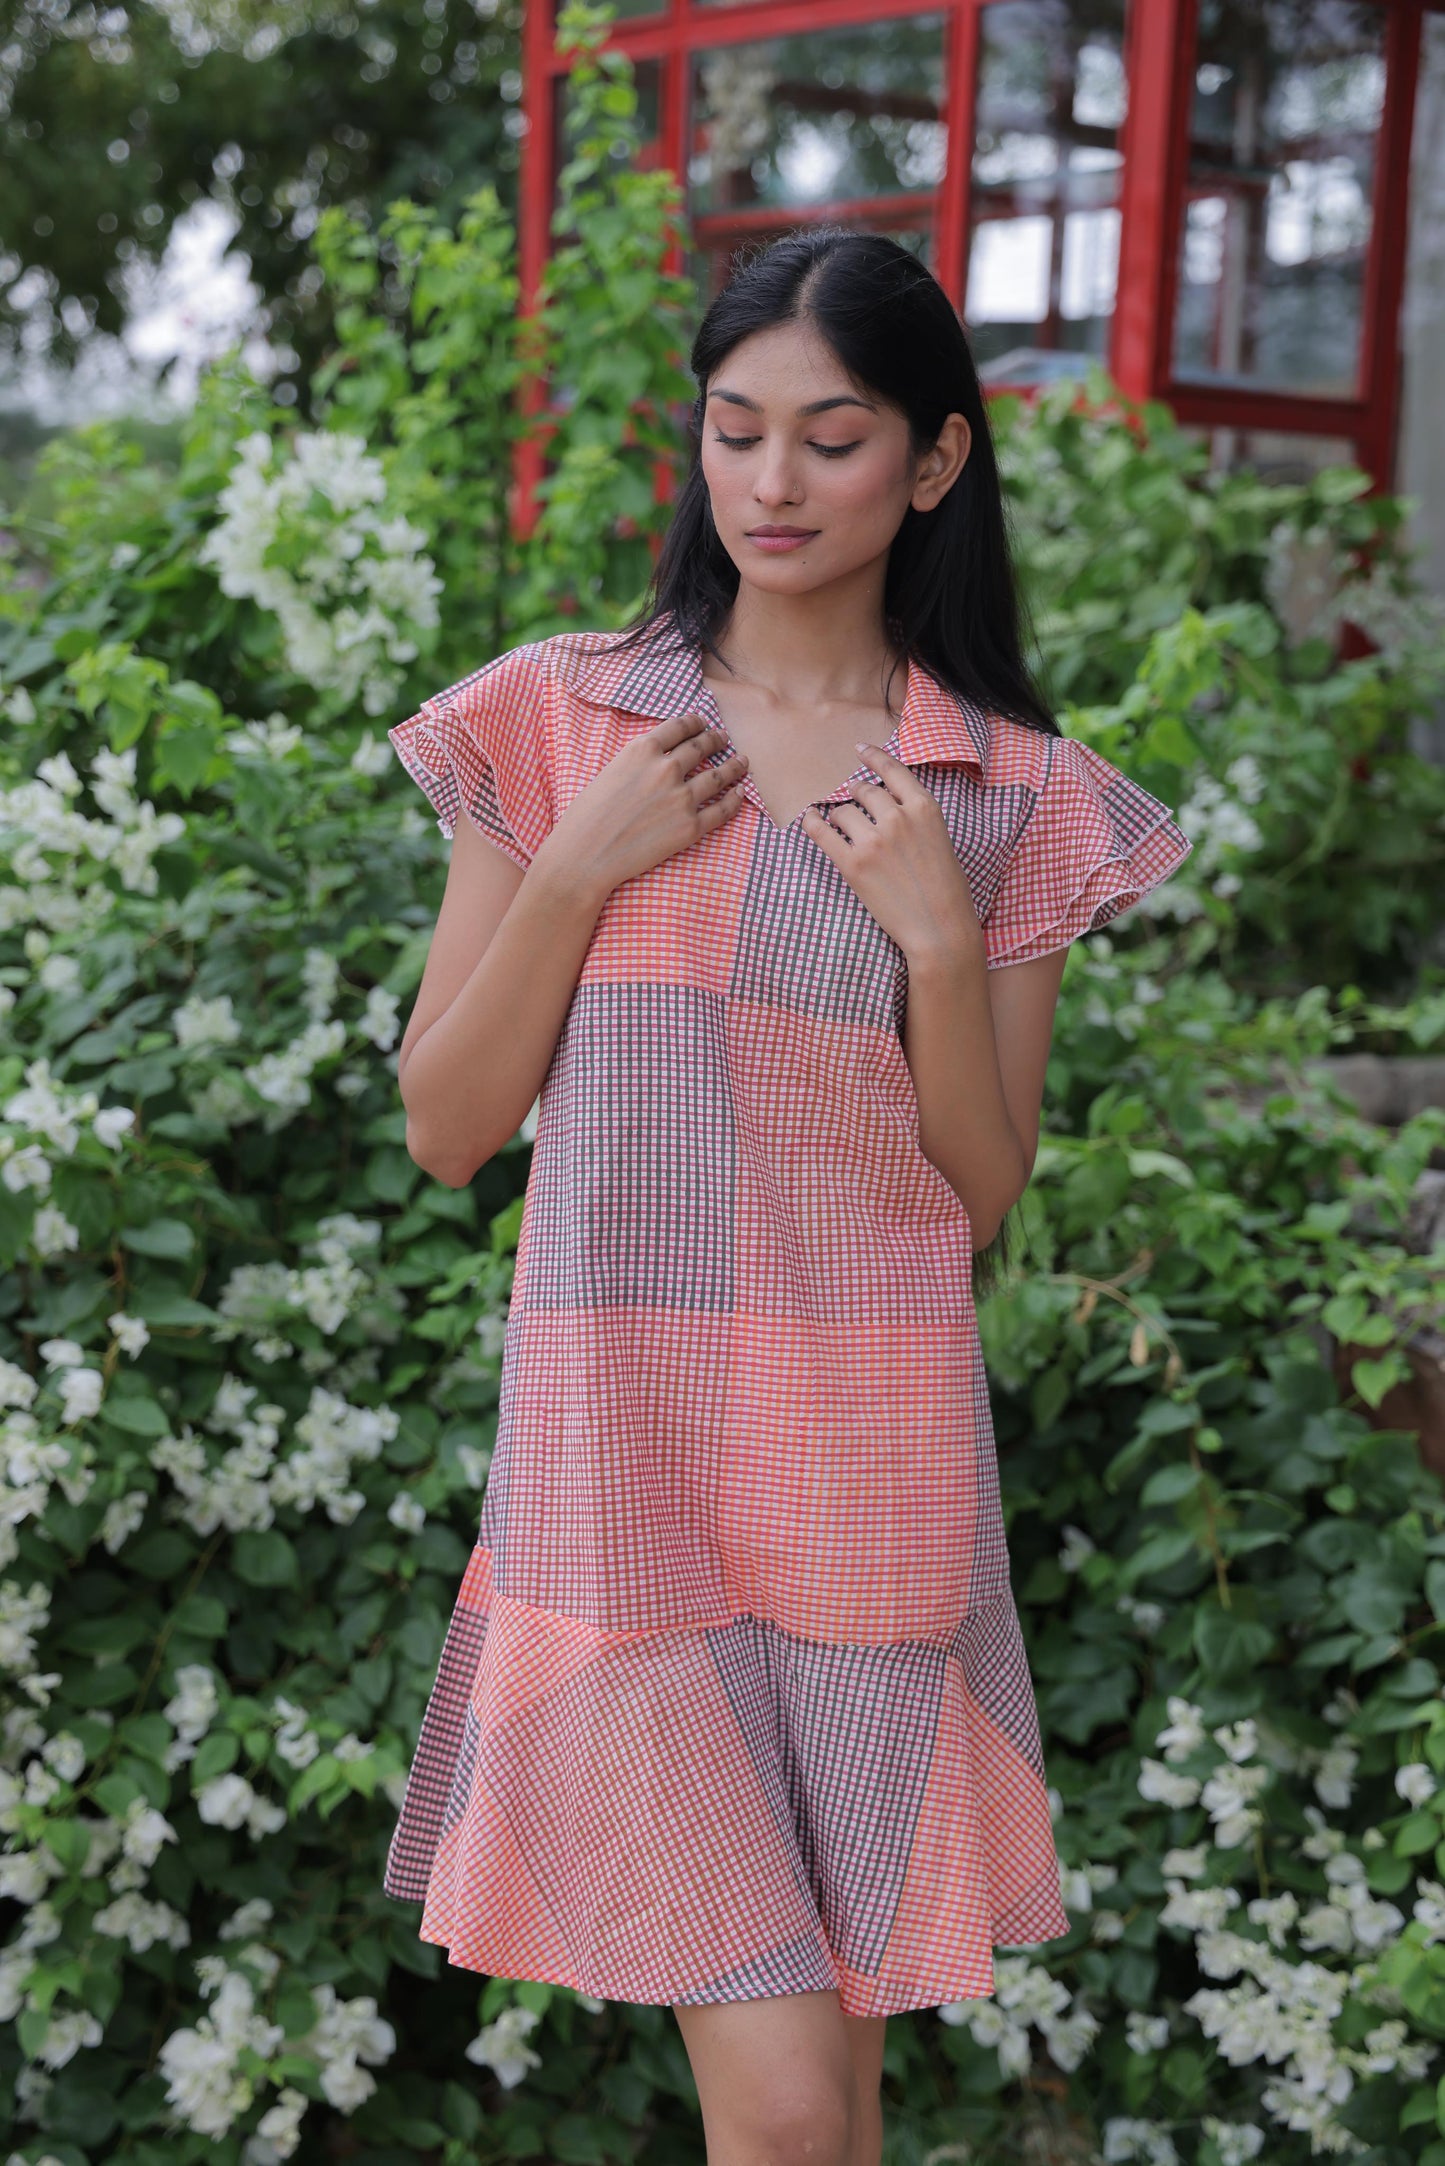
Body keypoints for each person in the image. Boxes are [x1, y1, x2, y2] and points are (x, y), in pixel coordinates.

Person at [382, 226, 1193, 2166]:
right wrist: (575, 874)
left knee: (842, 2108)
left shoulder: (1007, 794)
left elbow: (980, 1192)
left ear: (935, 461)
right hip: (627, 1497)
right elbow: (444, 1124)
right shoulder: (564, 722)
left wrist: (933, 940)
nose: (770, 483)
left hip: (868, 1484)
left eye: (832, 440)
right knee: (795, 2118)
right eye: (735, 431)